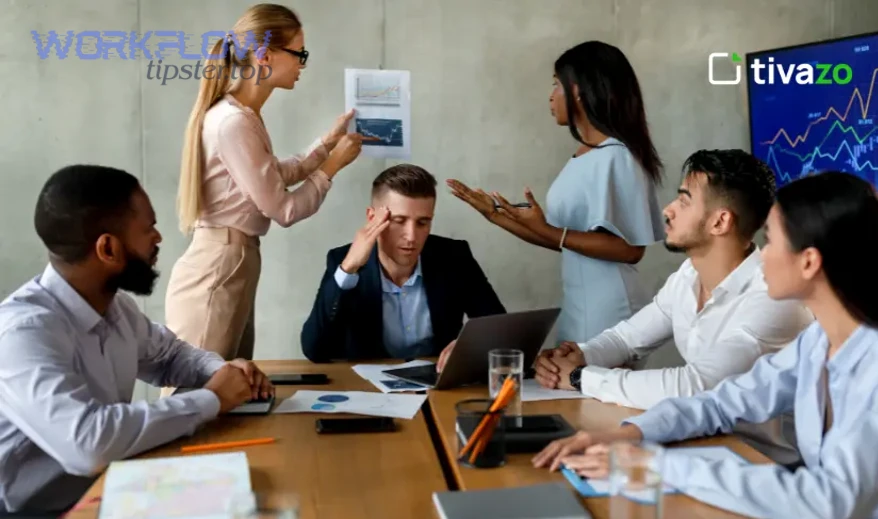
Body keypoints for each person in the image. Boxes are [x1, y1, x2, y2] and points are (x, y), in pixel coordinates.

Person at [534, 171, 878, 519]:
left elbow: (827, 500)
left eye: (771, 241)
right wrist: (627, 434)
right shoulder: (818, 343)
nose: (762, 255)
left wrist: (657, 465)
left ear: (809, 262)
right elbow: (724, 401)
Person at [0, 165, 273, 515]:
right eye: (148, 229)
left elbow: (170, 357)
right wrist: (212, 399)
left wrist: (225, 372)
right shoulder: (23, 333)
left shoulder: (114, 306)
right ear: (108, 248)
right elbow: (89, 443)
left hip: (106, 489)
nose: (158, 238)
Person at [531, 149, 814, 464]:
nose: (668, 209)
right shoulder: (689, 275)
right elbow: (627, 339)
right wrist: (577, 356)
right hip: (705, 447)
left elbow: (695, 386)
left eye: (684, 200)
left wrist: (580, 377)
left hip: (766, 467)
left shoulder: (772, 297)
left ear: (720, 221)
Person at [165, 3, 369, 367]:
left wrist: (325, 146)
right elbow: (284, 209)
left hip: (232, 261)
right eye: (299, 53)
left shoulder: (242, 117)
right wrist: (333, 165)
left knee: (226, 390)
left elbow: (273, 175)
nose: (302, 64)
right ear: (264, 56)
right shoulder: (233, 122)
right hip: (220, 265)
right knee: (194, 394)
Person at [447, 40, 665, 345]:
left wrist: (552, 232)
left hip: (608, 308)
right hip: (581, 304)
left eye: (555, 85)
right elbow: (561, 239)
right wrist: (495, 215)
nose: (550, 96)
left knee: (586, 389)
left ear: (576, 90)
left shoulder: (617, 156)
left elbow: (630, 249)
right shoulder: (586, 154)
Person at [301, 164, 506, 362]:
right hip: (368, 391)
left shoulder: (454, 256)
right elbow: (315, 350)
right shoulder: (342, 260)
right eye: (399, 221)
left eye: (422, 223)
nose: (411, 236)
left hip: (440, 388)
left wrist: (469, 346)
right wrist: (348, 269)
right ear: (373, 218)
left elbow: (500, 328)